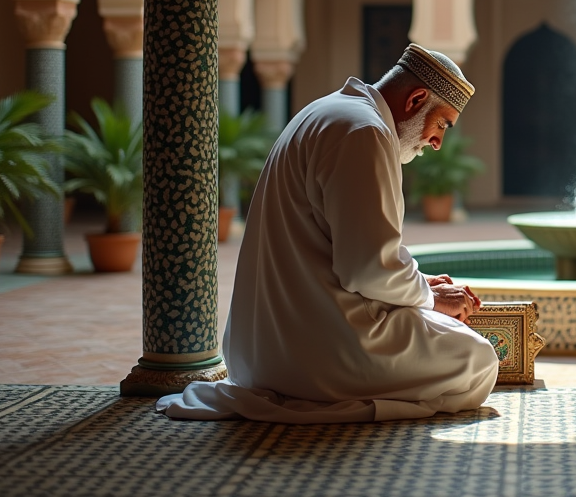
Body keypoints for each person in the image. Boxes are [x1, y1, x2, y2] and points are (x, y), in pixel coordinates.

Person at [157, 44, 499, 422]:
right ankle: (341, 403)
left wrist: (419, 288)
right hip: (312, 355)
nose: (437, 142)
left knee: (442, 332)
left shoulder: (329, 111)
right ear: (416, 99)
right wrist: (430, 299)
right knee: (479, 360)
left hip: (258, 355)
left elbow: (357, 256)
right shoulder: (364, 132)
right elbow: (368, 269)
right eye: (441, 125)